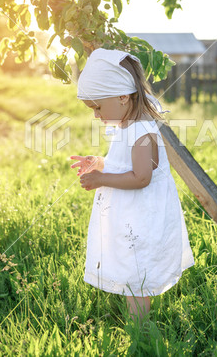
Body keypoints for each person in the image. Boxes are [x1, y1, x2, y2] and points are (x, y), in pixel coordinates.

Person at [70, 47, 195, 324]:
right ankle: (137, 321)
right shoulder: (128, 127)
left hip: (141, 215)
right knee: (131, 267)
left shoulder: (141, 131)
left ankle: (141, 330)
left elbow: (141, 177)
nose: (96, 115)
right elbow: (124, 165)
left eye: (98, 107)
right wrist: (100, 163)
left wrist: (101, 179)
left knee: (137, 272)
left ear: (123, 97)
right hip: (131, 214)